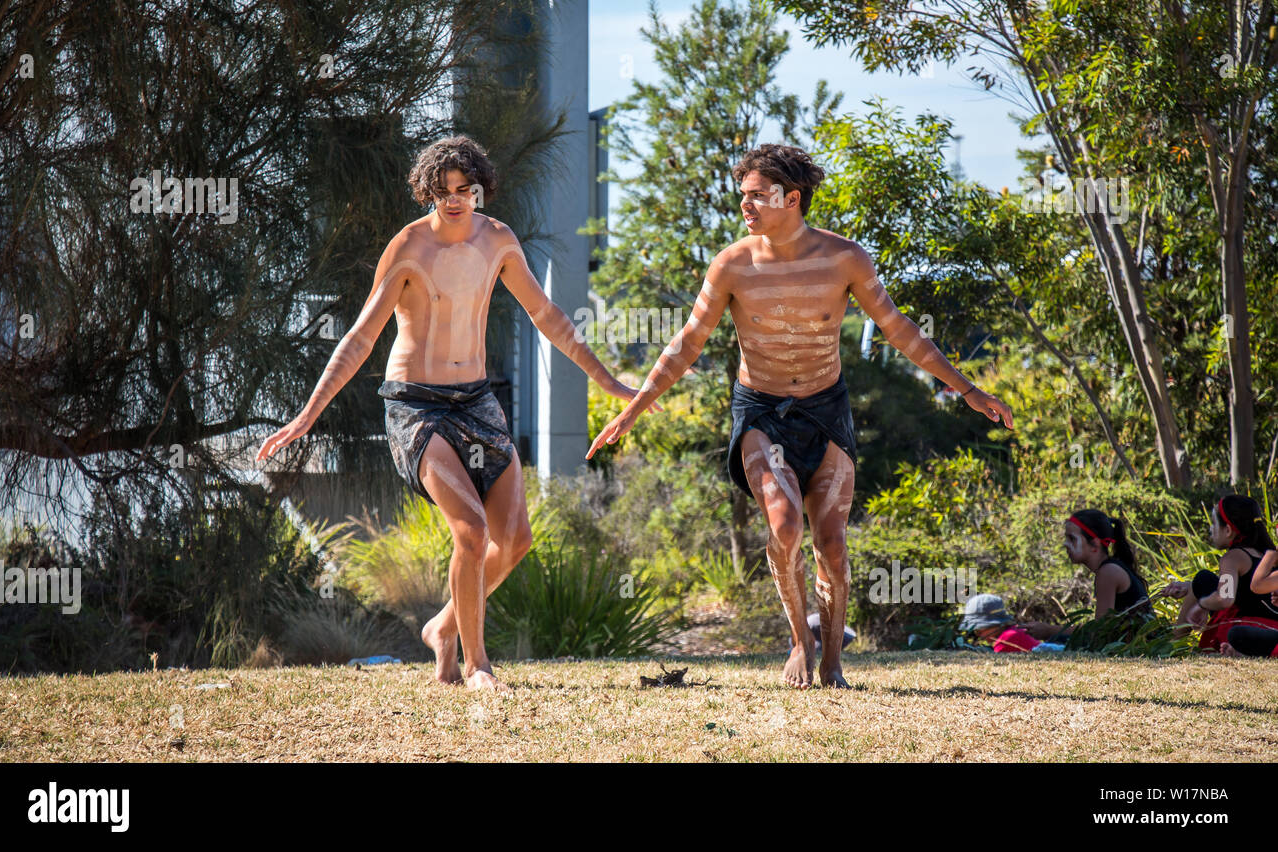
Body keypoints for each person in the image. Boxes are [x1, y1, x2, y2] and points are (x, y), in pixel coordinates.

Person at [586, 143, 1013, 689]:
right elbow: (688, 341)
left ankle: (833, 659)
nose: (746, 205)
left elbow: (900, 328)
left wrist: (967, 389)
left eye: (757, 195)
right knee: (785, 524)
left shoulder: (845, 258)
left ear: (792, 198)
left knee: (831, 544)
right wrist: (633, 410)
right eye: (742, 195)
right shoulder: (733, 264)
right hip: (761, 411)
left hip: (826, 408)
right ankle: (799, 641)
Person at [257, 135, 646, 692]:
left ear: (481, 189)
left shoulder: (500, 241)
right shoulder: (409, 247)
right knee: (471, 530)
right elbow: (361, 336)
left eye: (465, 189)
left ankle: (442, 626)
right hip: (415, 405)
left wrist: (607, 380)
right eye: (443, 192)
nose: (456, 200)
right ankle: (476, 664)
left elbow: (549, 316)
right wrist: (305, 416)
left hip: (476, 399)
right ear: (427, 194)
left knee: (514, 540)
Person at [1160, 494, 1278, 653]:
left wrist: (1201, 605)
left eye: (1214, 523)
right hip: (1272, 629)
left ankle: (1172, 646)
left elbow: (1225, 597)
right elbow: (1240, 591)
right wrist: (1189, 587)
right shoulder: (1266, 554)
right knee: (1202, 581)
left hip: (1248, 628)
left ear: (1228, 530)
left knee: (1202, 578)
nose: (1210, 529)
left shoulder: (1233, 557)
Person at [1019, 510, 1152, 644]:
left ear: (1095, 544)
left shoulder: (1108, 572)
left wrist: (1049, 630)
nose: (1065, 544)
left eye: (1072, 538)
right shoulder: (1108, 569)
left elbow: (1100, 631)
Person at [959, 594, 1058, 652]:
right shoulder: (1014, 631)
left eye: (979, 631)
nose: (979, 635)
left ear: (994, 624)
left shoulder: (1006, 639)